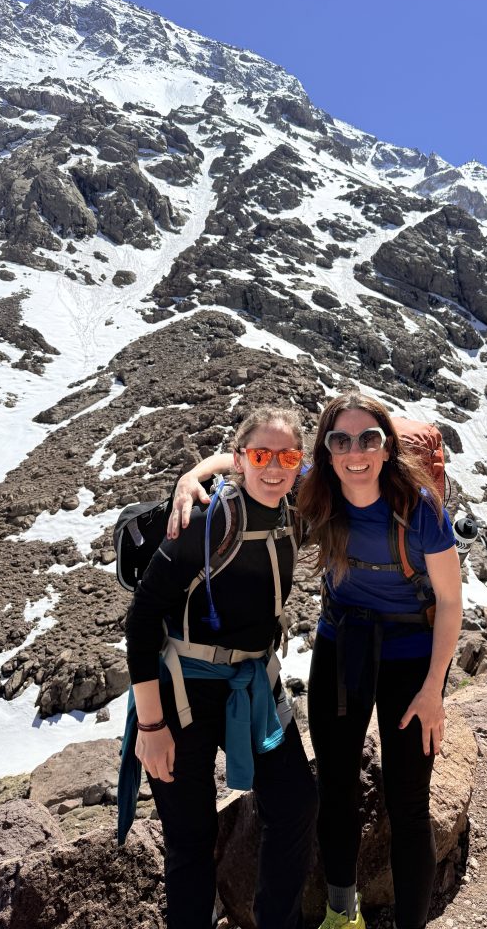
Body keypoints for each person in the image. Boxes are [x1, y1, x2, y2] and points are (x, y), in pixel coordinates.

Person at [172, 394, 463, 929]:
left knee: (408, 800)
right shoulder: (317, 485)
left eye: (369, 439)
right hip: (341, 643)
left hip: (410, 656)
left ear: (387, 447)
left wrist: (432, 691)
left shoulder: (419, 508)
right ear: (326, 452)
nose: (356, 452)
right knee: (336, 783)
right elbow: (245, 456)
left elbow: (449, 602)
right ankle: (340, 910)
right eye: (341, 440)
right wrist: (192, 476)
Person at [124, 405, 318, 929]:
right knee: (191, 838)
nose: (274, 467)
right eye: (260, 455)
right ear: (241, 459)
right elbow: (141, 620)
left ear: (299, 463)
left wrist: (198, 468)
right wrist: (150, 725)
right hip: (182, 692)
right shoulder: (205, 520)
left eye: (287, 455)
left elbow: (354, 466)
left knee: (296, 802)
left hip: (255, 681)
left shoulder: (293, 506)